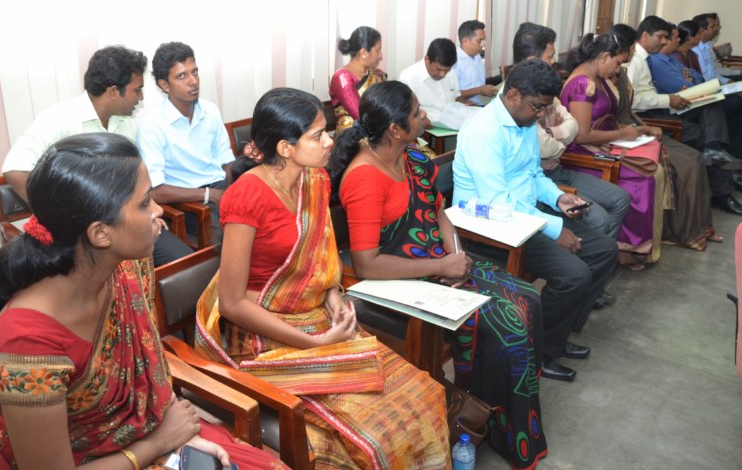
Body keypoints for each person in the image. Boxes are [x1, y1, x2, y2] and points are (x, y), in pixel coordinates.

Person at [0, 133, 284, 470]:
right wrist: (159, 442)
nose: (159, 211)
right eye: (144, 203)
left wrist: (179, 432)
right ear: (100, 233)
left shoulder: (125, 269)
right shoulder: (27, 349)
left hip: (156, 432)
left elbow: (150, 367)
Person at [194, 88, 450, 468]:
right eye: (318, 135)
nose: (331, 140)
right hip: (262, 336)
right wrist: (314, 343)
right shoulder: (246, 196)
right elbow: (232, 303)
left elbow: (322, 260)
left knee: (423, 393)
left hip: (316, 319)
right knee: (372, 435)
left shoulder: (315, 180)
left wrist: (333, 297)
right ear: (286, 148)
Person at [333, 80, 547, 469]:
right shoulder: (364, 177)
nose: (426, 118)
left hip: (438, 261)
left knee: (528, 298)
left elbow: (438, 214)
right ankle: (482, 419)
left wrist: (456, 255)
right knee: (508, 322)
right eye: (417, 114)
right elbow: (366, 264)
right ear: (395, 129)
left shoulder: (412, 157)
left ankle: (495, 417)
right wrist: (441, 266)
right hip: (400, 278)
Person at [453, 59, 618, 370]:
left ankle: (555, 334)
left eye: (545, 107)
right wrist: (554, 229)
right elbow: (498, 202)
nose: (541, 115)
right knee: (574, 275)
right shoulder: (483, 132)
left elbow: (534, 175)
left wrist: (558, 198)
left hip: (526, 216)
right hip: (490, 226)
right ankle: (540, 354)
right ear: (512, 95)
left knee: (605, 250)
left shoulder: (524, 121)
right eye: (537, 107)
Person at [1, 45, 192, 267]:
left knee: (184, 263)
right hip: (84, 238)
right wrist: (59, 220)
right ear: (113, 91)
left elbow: (133, 181)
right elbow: (15, 168)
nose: (140, 98)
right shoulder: (59, 119)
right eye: (137, 90)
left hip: (125, 226)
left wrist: (149, 212)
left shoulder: (124, 123)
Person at [513, 22, 630, 279]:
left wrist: (554, 135)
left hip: (555, 171)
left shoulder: (546, 91)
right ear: (532, 59)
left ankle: (597, 270)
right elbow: (547, 148)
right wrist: (560, 138)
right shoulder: (519, 101)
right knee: (599, 218)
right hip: (542, 179)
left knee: (621, 199)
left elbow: (573, 125)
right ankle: (588, 272)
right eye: (550, 56)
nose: (554, 61)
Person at [610, 23, 722, 251]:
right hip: (626, 132)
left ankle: (698, 227)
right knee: (687, 163)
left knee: (694, 157)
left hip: (636, 126)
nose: (665, 42)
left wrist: (643, 127)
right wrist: (645, 123)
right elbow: (629, 107)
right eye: (661, 37)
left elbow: (628, 109)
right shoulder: (621, 68)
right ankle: (678, 230)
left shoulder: (625, 68)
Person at [561, 31, 667, 270]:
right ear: (603, 57)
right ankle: (622, 247)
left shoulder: (597, 78)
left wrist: (635, 130)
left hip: (601, 145)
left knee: (652, 163)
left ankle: (620, 246)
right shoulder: (582, 84)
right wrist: (622, 135)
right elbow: (582, 135)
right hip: (580, 155)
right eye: (617, 63)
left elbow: (606, 121)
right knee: (642, 178)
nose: (617, 69)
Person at [626, 15, 742, 215]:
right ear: (645, 35)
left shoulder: (647, 57)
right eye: (661, 37)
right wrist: (668, 99)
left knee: (712, 109)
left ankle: (716, 155)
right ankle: (721, 192)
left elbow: (689, 78)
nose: (664, 42)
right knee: (707, 134)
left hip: (662, 106)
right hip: (648, 115)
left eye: (666, 38)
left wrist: (670, 97)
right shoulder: (634, 61)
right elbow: (632, 100)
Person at [137, 42, 235, 247]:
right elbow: (156, 191)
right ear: (164, 85)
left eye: (195, 72)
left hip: (221, 190)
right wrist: (209, 195)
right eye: (182, 76)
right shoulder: (152, 124)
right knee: (234, 239)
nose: (193, 81)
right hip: (189, 202)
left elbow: (227, 161)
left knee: (264, 220)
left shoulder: (210, 110)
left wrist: (237, 190)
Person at [399, 38, 479, 130]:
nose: (442, 74)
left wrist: (464, 103)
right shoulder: (407, 78)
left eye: (447, 70)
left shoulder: (451, 72)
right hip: (427, 130)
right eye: (438, 69)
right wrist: (420, 121)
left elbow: (456, 96)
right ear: (427, 60)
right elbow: (403, 114)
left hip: (455, 122)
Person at [329, 26, 386, 133]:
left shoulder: (375, 75)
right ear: (364, 52)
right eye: (378, 50)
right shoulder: (342, 77)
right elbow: (361, 116)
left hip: (376, 132)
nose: (380, 56)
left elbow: (386, 106)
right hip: (351, 137)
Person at [453, 20, 498, 106]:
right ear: (465, 41)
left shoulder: (477, 56)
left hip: (483, 103)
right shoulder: (454, 62)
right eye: (480, 41)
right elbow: (452, 94)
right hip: (466, 107)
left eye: (484, 40)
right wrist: (480, 90)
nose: (483, 44)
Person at [691, 13, 741, 85]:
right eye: (712, 26)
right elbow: (704, 79)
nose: (716, 29)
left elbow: (713, 73)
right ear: (702, 31)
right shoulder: (695, 50)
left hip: (715, 83)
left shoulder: (706, 46)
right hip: (708, 87)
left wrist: (727, 81)